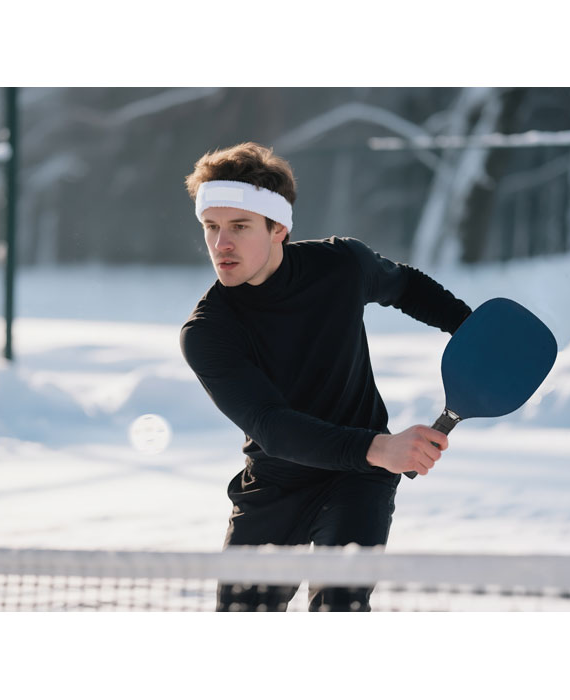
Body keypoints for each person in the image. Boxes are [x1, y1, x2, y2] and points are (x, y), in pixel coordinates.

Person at [180, 142, 471, 612]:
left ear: (278, 227)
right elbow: (273, 426)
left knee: (340, 608)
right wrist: (381, 447)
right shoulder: (208, 332)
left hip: (360, 478)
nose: (221, 244)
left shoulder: (342, 265)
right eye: (211, 227)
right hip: (276, 485)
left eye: (239, 226)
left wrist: (470, 329)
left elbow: (406, 286)